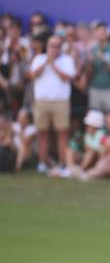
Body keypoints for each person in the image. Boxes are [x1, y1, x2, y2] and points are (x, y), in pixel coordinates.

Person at [29, 35, 76, 173]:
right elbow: (32, 76)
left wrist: (54, 65)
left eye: (57, 46)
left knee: (62, 133)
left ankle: (62, 163)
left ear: (61, 47)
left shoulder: (67, 60)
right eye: (52, 46)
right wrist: (46, 63)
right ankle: (42, 162)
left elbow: (68, 78)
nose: (54, 49)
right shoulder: (39, 59)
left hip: (61, 101)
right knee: (42, 132)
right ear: (47, 46)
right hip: (41, 101)